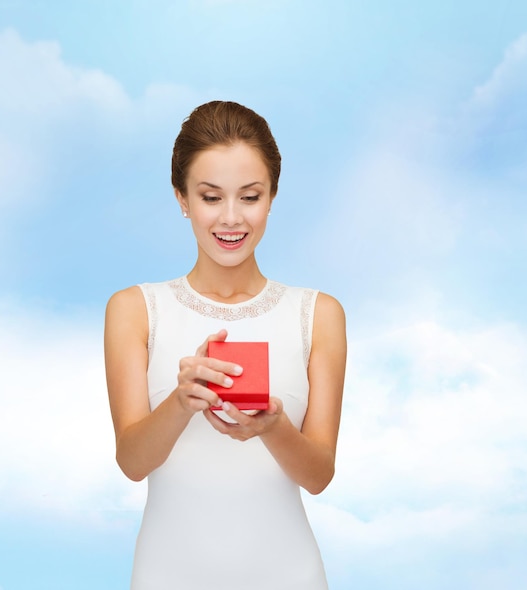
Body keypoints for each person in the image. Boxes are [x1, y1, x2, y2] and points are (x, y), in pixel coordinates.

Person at [104, 100, 347, 590]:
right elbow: (132, 463)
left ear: (272, 196)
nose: (232, 218)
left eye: (250, 196)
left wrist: (274, 427)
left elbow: (319, 476)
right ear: (182, 198)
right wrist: (180, 402)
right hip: (166, 576)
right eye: (211, 197)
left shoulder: (318, 314)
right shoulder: (135, 310)